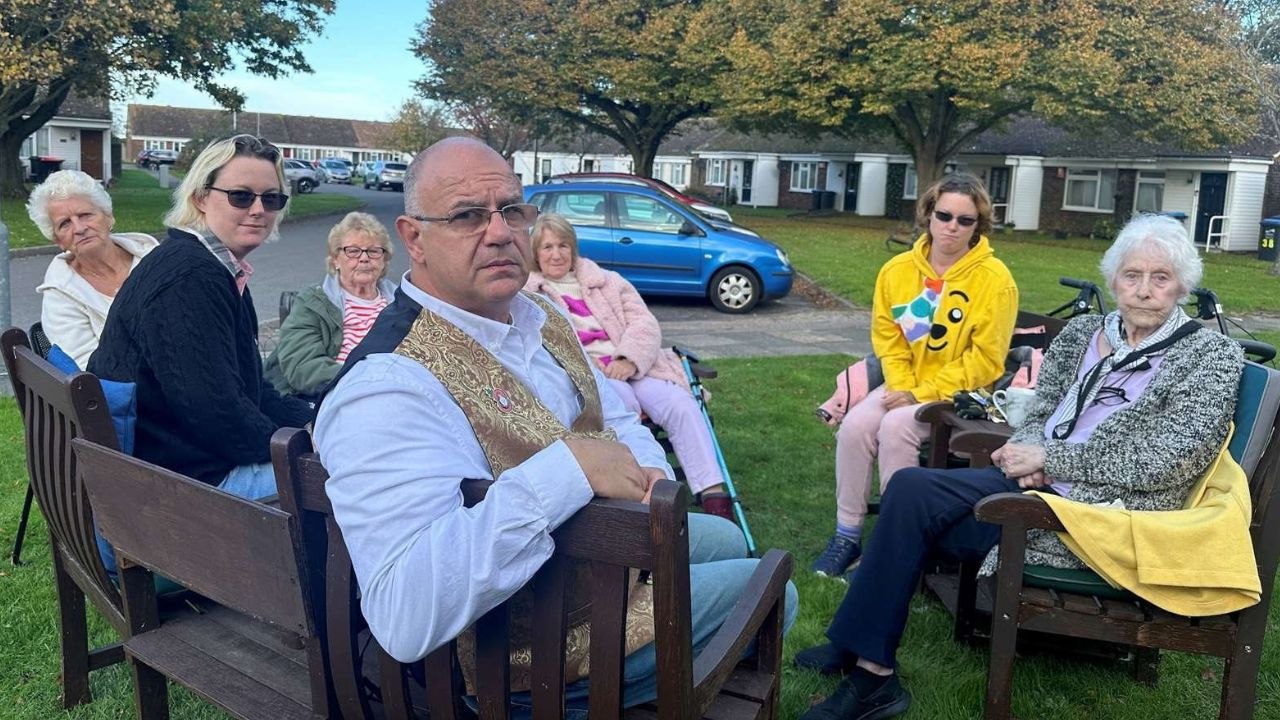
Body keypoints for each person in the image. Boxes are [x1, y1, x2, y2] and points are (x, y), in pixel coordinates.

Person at [314, 137, 797, 714]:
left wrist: (645, 469)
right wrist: (571, 468)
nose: (499, 232)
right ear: (413, 237)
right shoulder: (387, 385)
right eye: (468, 215)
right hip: (514, 659)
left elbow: (612, 411)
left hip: (584, 570)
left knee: (725, 538)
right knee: (776, 592)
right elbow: (403, 611)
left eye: (513, 210)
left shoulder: (538, 313)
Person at [794, 214, 1245, 719]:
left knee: (913, 508)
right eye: (1131, 276)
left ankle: (865, 665)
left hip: (1101, 517)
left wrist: (1050, 458)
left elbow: (1170, 459)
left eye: (1160, 278)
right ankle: (865, 656)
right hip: (1039, 486)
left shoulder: (1210, 356)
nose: (1143, 290)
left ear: (1183, 284)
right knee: (909, 488)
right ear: (1113, 278)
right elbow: (1043, 409)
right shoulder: (1084, 333)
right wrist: (1025, 452)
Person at [811, 173, 1019, 578]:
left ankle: (896, 547)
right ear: (928, 213)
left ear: (980, 225)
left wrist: (920, 393)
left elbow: (987, 360)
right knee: (855, 426)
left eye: (965, 220)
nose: (952, 227)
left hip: (959, 396)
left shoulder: (995, 281)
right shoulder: (897, 271)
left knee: (896, 428)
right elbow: (887, 339)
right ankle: (846, 535)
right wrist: (904, 386)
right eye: (945, 215)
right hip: (903, 383)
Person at [89, 134, 312, 500]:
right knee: (357, 479)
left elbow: (248, 389)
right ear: (200, 198)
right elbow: (217, 417)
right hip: (178, 488)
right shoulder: (191, 277)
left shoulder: (212, 266)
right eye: (241, 196)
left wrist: (312, 420)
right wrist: (303, 446)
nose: (258, 209)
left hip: (170, 467)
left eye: (271, 198)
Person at [524, 213, 734, 520]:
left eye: (563, 245)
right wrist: (594, 365)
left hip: (637, 366)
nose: (556, 254)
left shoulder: (608, 282)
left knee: (681, 404)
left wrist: (628, 359)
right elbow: (546, 346)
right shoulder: (530, 296)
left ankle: (715, 498)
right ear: (535, 254)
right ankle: (646, 493)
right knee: (623, 405)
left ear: (574, 249)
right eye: (547, 247)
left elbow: (644, 323)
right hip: (591, 375)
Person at [27, 169, 159, 368]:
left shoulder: (156, 259)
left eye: (85, 215)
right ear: (57, 240)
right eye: (65, 224)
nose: (79, 228)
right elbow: (88, 370)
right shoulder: (60, 294)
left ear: (109, 218)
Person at [264, 211, 397, 399]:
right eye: (353, 251)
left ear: (384, 260)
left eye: (374, 251)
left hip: (395, 397)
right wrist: (369, 382)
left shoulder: (402, 304)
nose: (364, 258)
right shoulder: (313, 303)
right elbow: (302, 367)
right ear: (335, 259)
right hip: (332, 397)